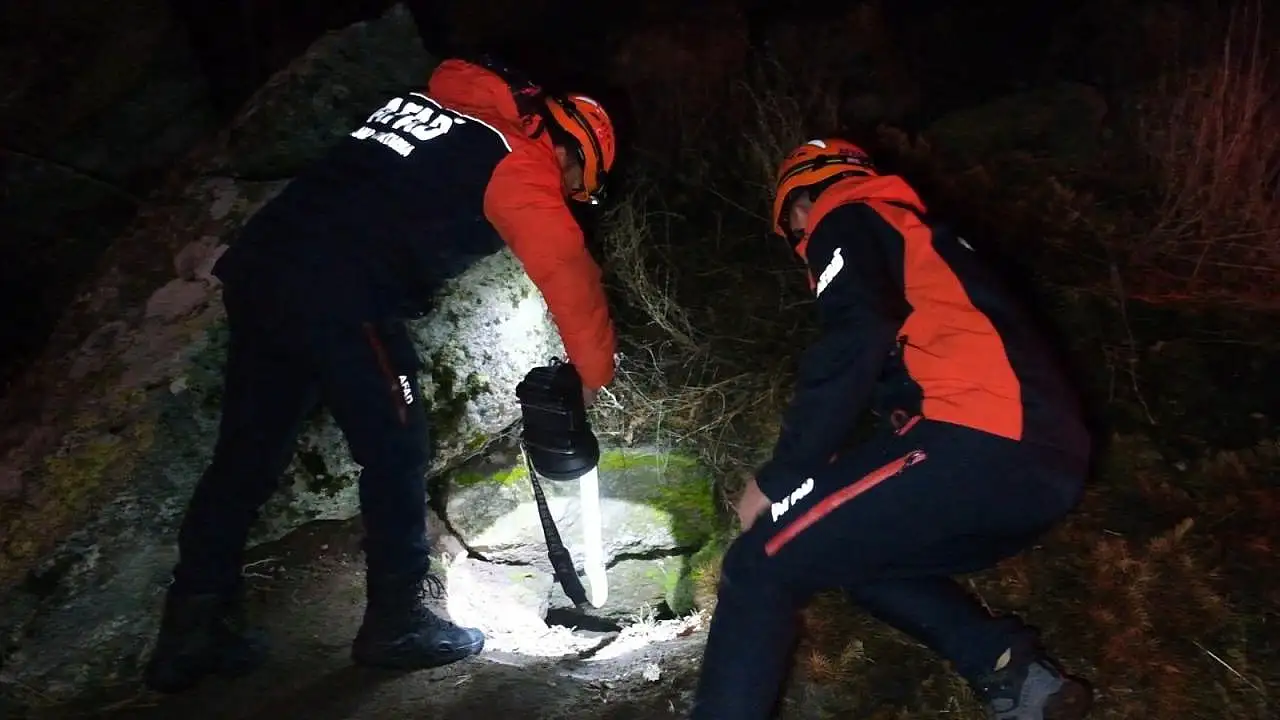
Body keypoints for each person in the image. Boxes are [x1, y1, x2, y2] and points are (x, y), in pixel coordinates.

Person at [143, 55, 619, 693]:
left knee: (247, 454)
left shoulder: (431, 106)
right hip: (341, 294)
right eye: (577, 185)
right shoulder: (519, 159)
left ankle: (190, 630)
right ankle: (397, 622)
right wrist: (593, 373)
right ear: (570, 152)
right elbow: (567, 270)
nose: (569, 196)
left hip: (262, 270)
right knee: (397, 449)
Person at [689, 139, 1094, 720]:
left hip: (975, 440)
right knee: (853, 555)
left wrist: (782, 478)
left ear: (801, 205)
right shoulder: (923, 243)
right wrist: (840, 471)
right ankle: (1013, 673)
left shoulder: (846, 213)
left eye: (796, 233)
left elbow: (854, 337)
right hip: (1046, 466)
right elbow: (909, 381)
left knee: (757, 563)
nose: (803, 247)